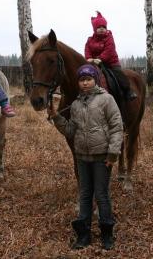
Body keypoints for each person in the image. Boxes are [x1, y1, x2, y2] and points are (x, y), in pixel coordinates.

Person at [47, 64, 123, 250]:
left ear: (95, 80)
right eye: (82, 80)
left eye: (88, 79)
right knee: (85, 194)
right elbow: (71, 131)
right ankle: (84, 234)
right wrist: (57, 117)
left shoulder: (107, 100)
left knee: (102, 195)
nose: (85, 83)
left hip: (102, 156)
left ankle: (107, 233)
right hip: (82, 156)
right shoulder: (75, 104)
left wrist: (113, 153)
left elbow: (116, 127)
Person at [85, 11, 137, 101]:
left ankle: (128, 91)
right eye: (99, 27)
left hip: (110, 62)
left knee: (118, 74)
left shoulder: (109, 37)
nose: (102, 29)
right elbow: (87, 49)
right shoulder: (90, 40)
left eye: (103, 27)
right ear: (94, 29)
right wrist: (89, 58)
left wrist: (100, 59)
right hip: (95, 63)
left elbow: (109, 50)